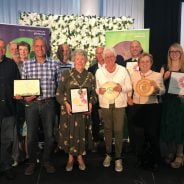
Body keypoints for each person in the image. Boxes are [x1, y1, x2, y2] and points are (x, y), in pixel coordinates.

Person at [21, 36, 61, 175]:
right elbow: (23, 86)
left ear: (47, 47)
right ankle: (32, 162)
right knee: (31, 136)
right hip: (31, 105)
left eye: (42, 46)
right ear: (33, 48)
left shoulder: (54, 64)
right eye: (37, 46)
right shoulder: (26, 64)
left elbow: (59, 86)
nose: (40, 48)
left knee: (49, 136)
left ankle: (46, 160)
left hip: (48, 104)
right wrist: (25, 96)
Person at [56, 49, 97, 171]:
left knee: (81, 133)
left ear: (86, 60)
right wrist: (65, 103)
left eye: (82, 59)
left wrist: (90, 103)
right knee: (70, 133)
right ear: (73, 60)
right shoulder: (66, 74)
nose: (80, 61)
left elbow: (94, 94)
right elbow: (58, 93)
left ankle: (79, 158)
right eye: (77, 59)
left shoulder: (90, 76)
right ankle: (70, 159)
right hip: (69, 112)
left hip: (83, 113)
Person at [95, 47, 132, 172]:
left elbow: (129, 87)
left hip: (119, 104)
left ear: (115, 58)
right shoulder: (99, 72)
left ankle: (118, 157)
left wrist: (121, 88)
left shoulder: (123, 70)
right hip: (105, 104)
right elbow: (97, 89)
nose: (109, 59)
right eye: (107, 57)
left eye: (111, 56)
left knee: (118, 130)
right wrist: (98, 91)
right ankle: (108, 154)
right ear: (104, 59)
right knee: (107, 130)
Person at [127, 53, 165, 171]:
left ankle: (154, 160)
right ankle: (142, 159)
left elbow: (163, 91)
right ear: (138, 64)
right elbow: (130, 88)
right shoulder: (133, 75)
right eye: (142, 62)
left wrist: (156, 88)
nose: (145, 64)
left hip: (152, 108)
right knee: (139, 136)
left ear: (151, 63)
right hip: (137, 107)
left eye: (147, 61)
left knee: (152, 135)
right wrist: (129, 97)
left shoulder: (157, 75)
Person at [160, 43, 184, 168]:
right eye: (171, 51)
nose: (174, 53)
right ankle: (171, 152)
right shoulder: (164, 67)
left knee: (179, 128)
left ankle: (179, 155)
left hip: (181, 103)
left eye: (177, 51)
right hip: (168, 103)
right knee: (168, 126)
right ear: (169, 54)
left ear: (181, 53)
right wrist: (163, 78)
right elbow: (158, 88)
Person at [0, 38, 20, 180]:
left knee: (7, 140)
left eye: (2, 47)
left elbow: (17, 84)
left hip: (8, 109)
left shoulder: (11, 64)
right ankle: (5, 166)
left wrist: (19, 93)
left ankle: (5, 165)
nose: (0, 50)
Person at [88, 46, 104, 151]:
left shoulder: (111, 67)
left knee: (108, 121)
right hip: (95, 100)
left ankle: (108, 141)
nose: (100, 55)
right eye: (98, 53)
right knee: (95, 121)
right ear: (95, 56)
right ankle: (96, 141)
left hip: (109, 99)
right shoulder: (91, 69)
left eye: (102, 53)